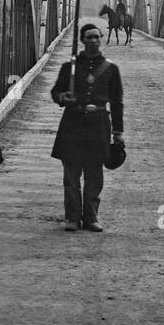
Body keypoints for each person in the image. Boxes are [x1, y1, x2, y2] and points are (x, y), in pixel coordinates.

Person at [50, 23, 123, 232]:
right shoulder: (70, 67)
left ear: (101, 39)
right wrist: (63, 97)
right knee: (71, 176)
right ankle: (72, 217)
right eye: (88, 37)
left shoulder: (111, 69)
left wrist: (118, 133)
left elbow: (117, 102)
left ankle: (91, 217)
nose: (92, 41)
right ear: (82, 40)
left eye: (96, 37)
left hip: (98, 124)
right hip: (73, 123)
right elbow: (55, 92)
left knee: (94, 175)